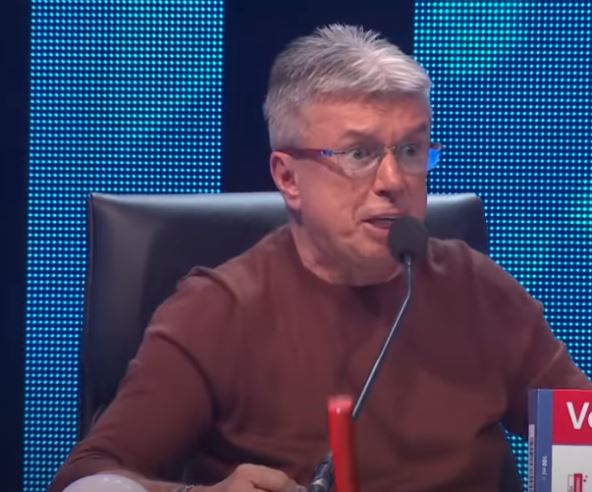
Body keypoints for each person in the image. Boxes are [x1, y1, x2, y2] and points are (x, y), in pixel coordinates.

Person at [50, 24, 590, 492]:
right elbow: (88, 478)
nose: (394, 180)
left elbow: (577, 435)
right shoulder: (218, 311)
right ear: (288, 177)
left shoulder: (476, 289)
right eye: (359, 153)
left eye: (410, 150)